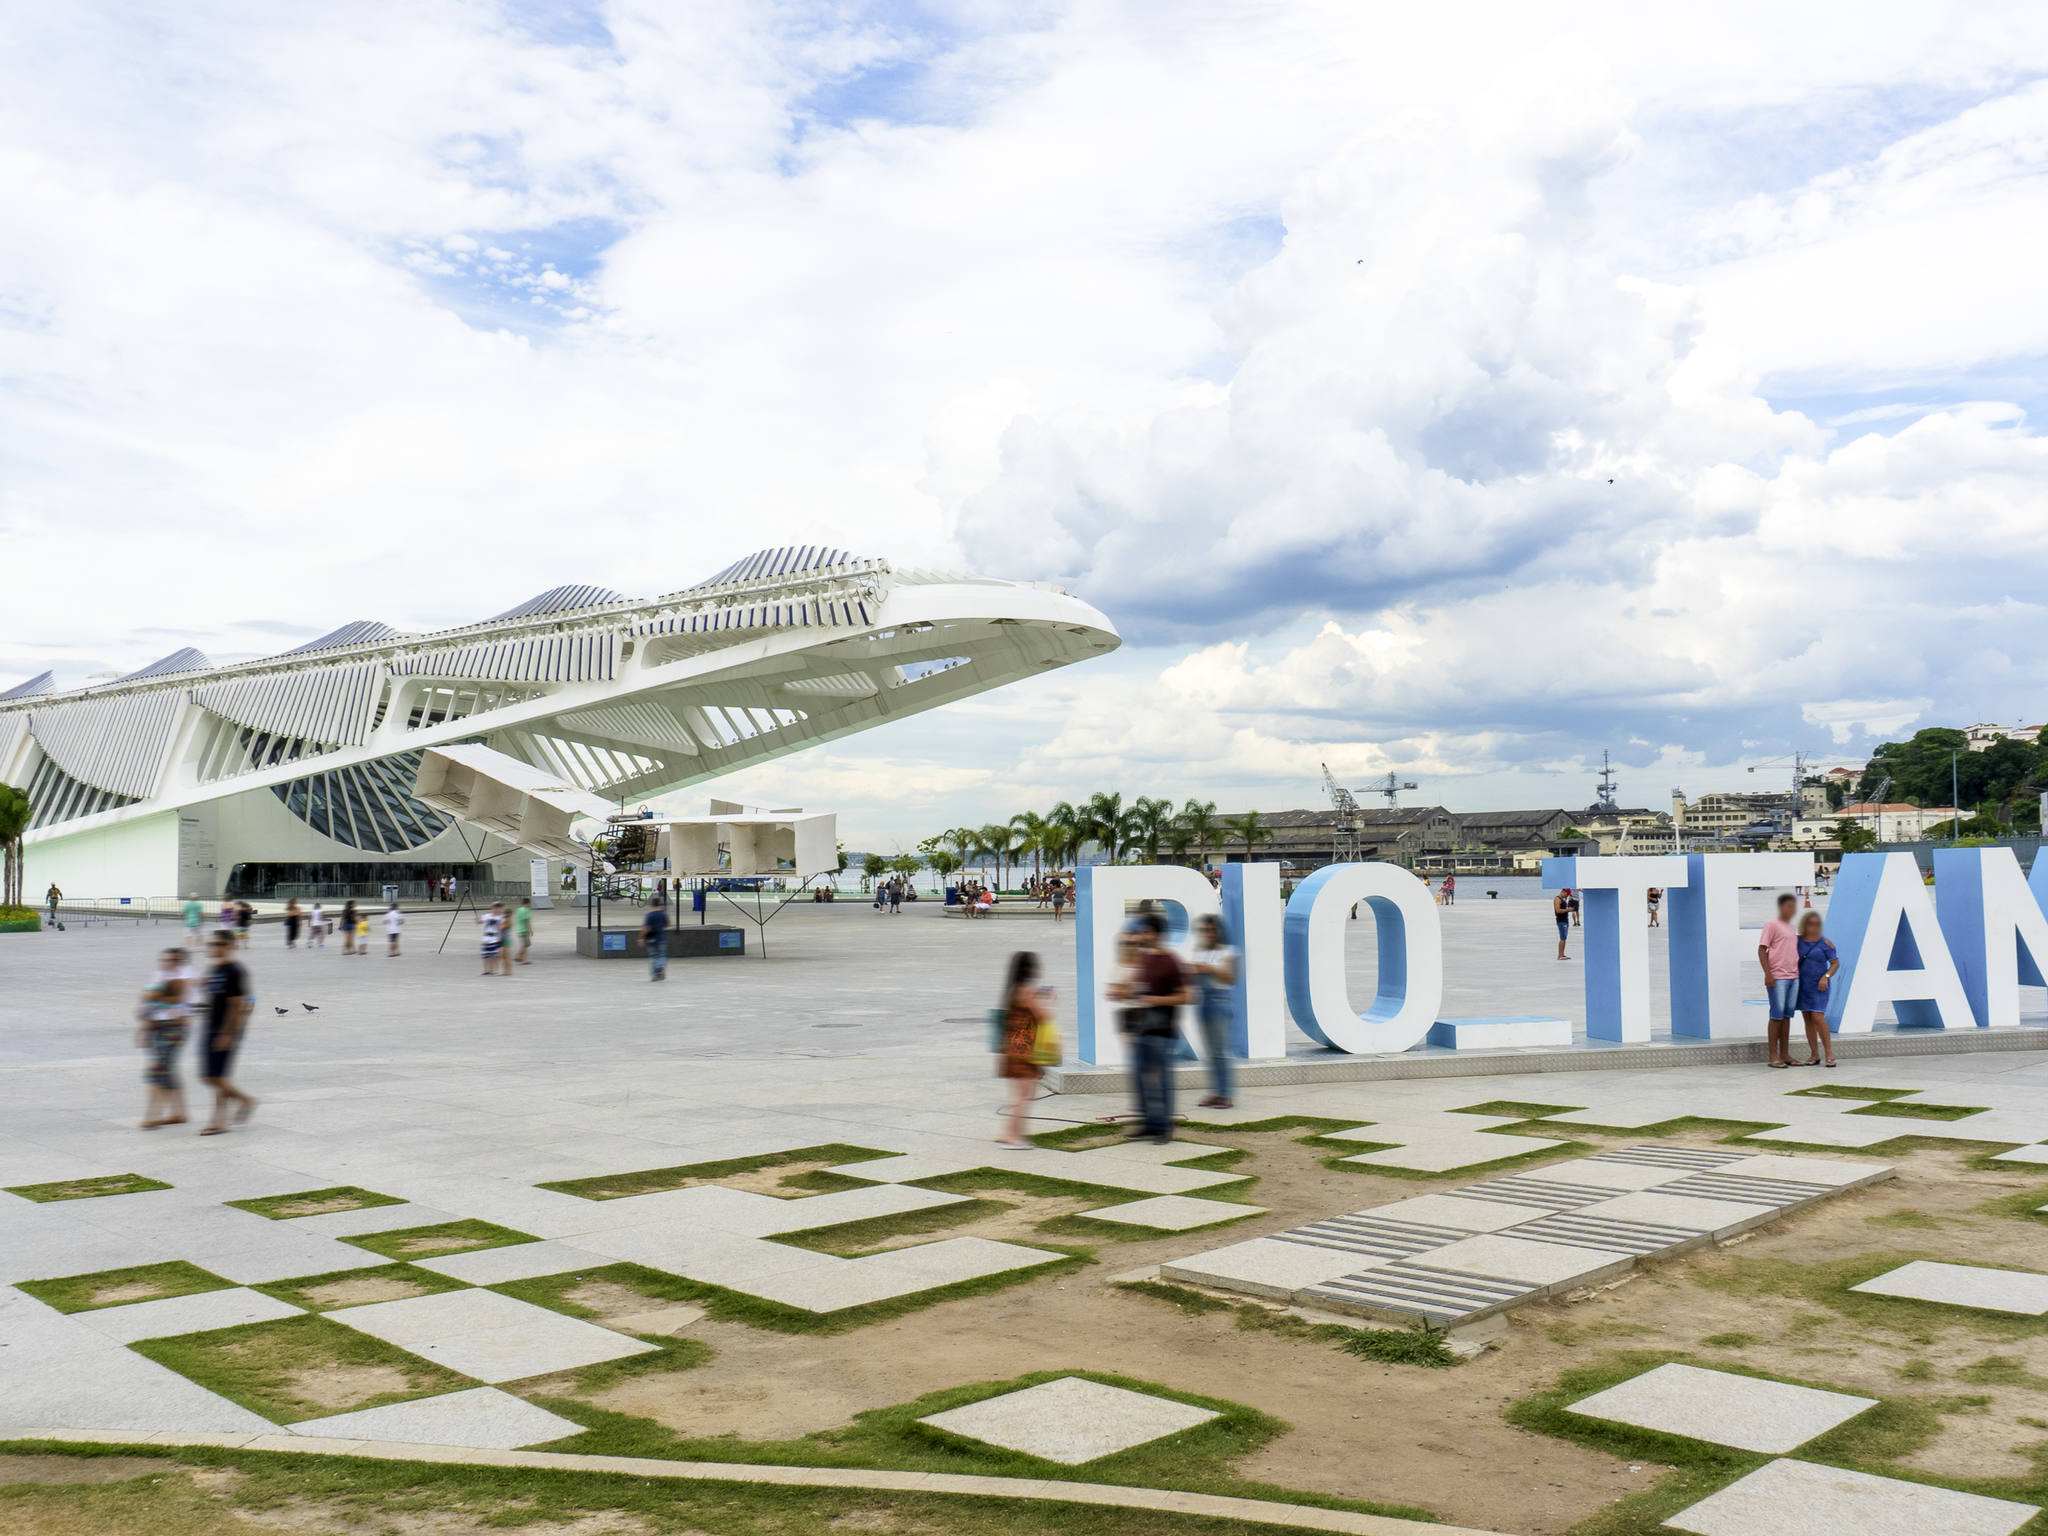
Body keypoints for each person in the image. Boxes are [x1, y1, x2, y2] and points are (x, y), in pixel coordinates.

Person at [1110, 911, 1190, 1144]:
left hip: (1162, 1030)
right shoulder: (1144, 959)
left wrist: (1157, 1000)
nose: (1142, 935)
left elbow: (1186, 996)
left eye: (1146, 932)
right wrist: (1124, 992)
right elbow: (1138, 989)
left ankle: (1163, 1127)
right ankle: (1148, 1123)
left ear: (1156, 934)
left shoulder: (1171, 961)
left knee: (1162, 1080)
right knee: (1139, 1077)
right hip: (1141, 1028)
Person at [198, 931, 256, 1134]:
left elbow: (237, 1004)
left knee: (215, 1076)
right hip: (212, 1025)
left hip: (224, 1029)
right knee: (213, 1076)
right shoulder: (216, 969)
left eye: (219, 943)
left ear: (230, 945)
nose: (214, 947)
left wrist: (227, 1034)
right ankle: (235, 1107)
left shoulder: (234, 970)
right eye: (212, 943)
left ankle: (223, 1118)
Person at [996, 950, 1050, 1148]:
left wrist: (1041, 993)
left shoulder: (1013, 989)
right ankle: (1013, 1136)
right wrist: (1048, 1001)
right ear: (1028, 969)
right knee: (1024, 1096)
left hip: (1012, 1049)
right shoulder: (1026, 991)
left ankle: (1008, 1132)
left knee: (1018, 1095)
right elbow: (1043, 1016)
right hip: (1024, 1051)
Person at [135, 948, 192, 1129]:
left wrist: (152, 996)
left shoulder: (183, 978)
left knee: (157, 1069)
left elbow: (170, 999)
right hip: (158, 1028)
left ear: (179, 962)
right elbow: (147, 1001)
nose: (168, 963)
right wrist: (144, 1025)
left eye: (172, 960)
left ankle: (153, 1115)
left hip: (174, 1028)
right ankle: (179, 1113)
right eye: (165, 960)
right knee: (167, 1070)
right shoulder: (158, 976)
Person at [1188, 913, 1239, 1109]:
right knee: (1210, 1052)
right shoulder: (1199, 951)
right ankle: (1215, 1091)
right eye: (1203, 930)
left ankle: (1225, 1094)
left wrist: (1208, 968)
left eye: (1211, 930)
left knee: (1220, 1052)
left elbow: (1230, 978)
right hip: (1203, 1002)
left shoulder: (1228, 952)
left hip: (1219, 1001)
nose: (1207, 934)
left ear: (1218, 931)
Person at [1760, 891, 1802, 1069]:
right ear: (1781, 907)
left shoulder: (1791, 927)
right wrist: (1768, 973)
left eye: (1793, 907)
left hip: (1793, 977)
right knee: (1776, 1016)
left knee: (1786, 1016)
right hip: (1778, 978)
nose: (1791, 909)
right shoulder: (1772, 925)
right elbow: (1762, 950)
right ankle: (1773, 1055)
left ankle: (1785, 1053)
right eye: (1788, 906)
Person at [1795, 911, 1840, 1068]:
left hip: (1820, 985)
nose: (1813, 927)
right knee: (1807, 1018)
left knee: (1817, 1017)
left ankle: (1829, 1053)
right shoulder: (1797, 941)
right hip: (1802, 986)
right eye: (1810, 923)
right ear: (1804, 925)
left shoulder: (1824, 942)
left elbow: (1835, 963)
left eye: (1816, 924)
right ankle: (1814, 1054)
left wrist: (1826, 977)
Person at [641, 895, 669, 981]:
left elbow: (645, 928)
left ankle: (654, 976)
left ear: (652, 905)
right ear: (660, 904)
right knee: (662, 955)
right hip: (661, 938)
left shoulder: (649, 915)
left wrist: (642, 938)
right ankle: (660, 966)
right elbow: (668, 924)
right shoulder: (663, 914)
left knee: (653, 956)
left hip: (651, 939)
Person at [478, 901, 506, 976]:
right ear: (492, 908)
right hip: (486, 938)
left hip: (495, 938)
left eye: (499, 908)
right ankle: (486, 970)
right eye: (495, 907)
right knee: (486, 955)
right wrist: (478, 920)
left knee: (494, 956)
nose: (497, 909)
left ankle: (494, 970)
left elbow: (503, 926)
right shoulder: (486, 916)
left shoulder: (501, 917)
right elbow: (480, 921)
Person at [1553, 888, 1573, 961]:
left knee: (1564, 938)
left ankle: (1562, 954)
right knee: (1562, 938)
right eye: (1567, 894)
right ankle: (1560, 955)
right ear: (1563, 892)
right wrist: (1568, 910)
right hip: (1561, 921)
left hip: (1565, 920)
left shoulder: (1563, 899)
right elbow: (1558, 910)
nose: (1567, 896)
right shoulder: (1557, 899)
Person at [512, 897, 533, 965]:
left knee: (525, 945)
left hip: (519, 929)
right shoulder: (525, 910)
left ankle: (525, 959)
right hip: (524, 930)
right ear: (528, 903)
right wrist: (530, 930)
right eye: (530, 903)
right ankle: (517, 956)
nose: (530, 904)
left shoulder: (519, 909)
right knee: (525, 945)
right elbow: (526, 920)